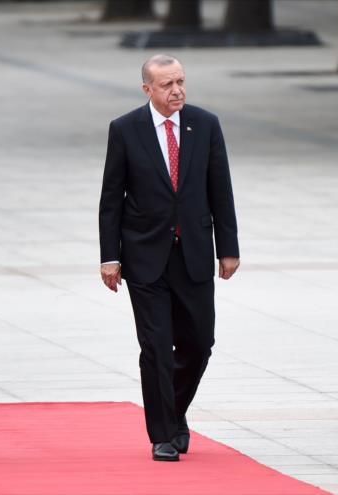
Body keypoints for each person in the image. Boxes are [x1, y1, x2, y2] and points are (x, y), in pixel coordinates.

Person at [98, 54, 240, 462]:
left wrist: (227, 248)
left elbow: (221, 190)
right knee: (157, 346)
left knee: (199, 343)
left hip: (193, 252)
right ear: (148, 90)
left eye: (180, 81)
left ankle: (174, 412)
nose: (176, 90)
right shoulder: (125, 130)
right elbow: (112, 197)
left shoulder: (205, 124)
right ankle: (162, 433)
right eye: (166, 85)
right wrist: (110, 257)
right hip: (144, 256)